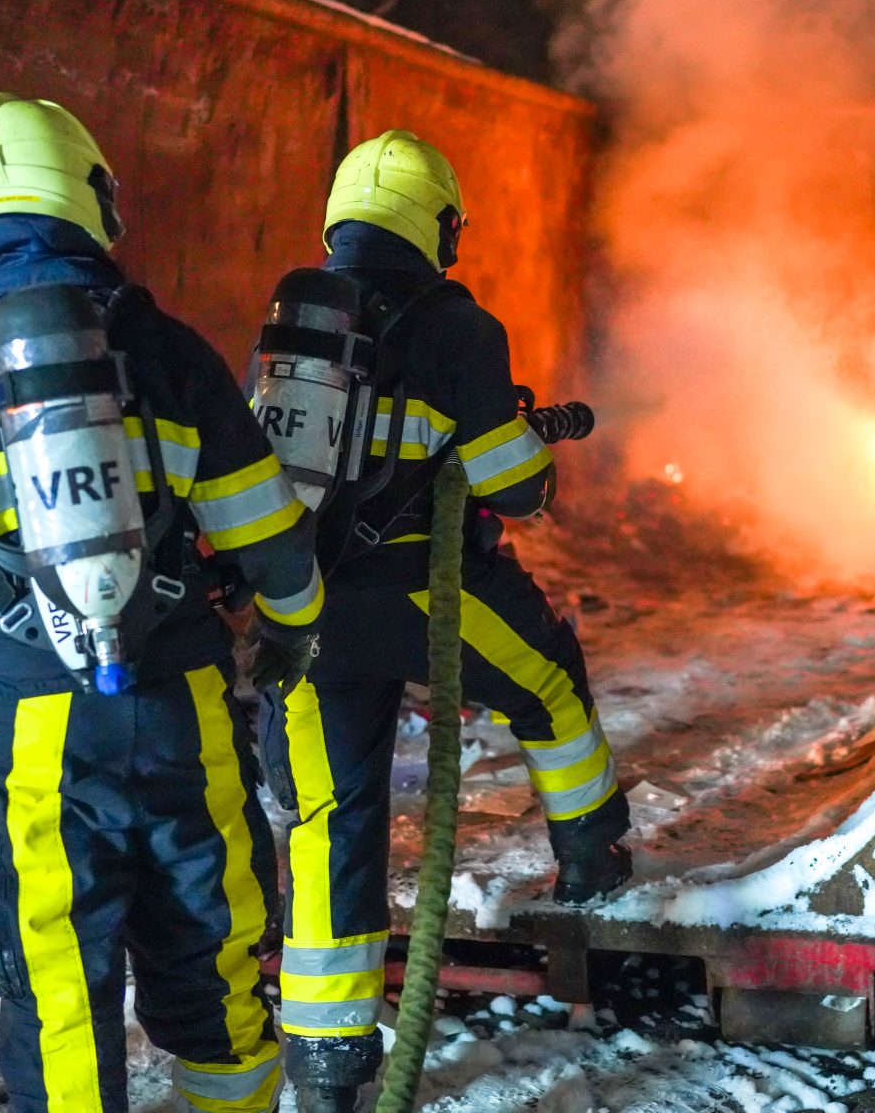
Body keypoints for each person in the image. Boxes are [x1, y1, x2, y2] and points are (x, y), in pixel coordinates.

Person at [0, 93, 320, 1113]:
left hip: (36, 732)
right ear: (91, 195)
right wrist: (291, 629)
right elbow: (270, 532)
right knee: (214, 950)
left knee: (60, 983)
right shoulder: (170, 353)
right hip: (187, 705)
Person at [261, 130, 632, 1112]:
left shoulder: (298, 321)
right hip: (430, 594)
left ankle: (328, 1066)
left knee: (332, 819)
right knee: (548, 678)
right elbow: (511, 486)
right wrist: (532, 458)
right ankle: (591, 855)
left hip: (308, 608)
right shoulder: (460, 326)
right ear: (438, 226)